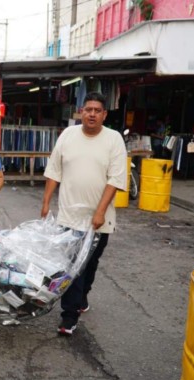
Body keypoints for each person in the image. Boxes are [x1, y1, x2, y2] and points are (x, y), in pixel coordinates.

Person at [40, 91, 127, 336]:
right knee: (73, 267)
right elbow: (54, 170)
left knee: (89, 265)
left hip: (100, 220)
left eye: (97, 110)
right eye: (88, 109)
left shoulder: (114, 139)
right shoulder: (68, 135)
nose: (91, 114)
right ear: (81, 111)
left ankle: (81, 298)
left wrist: (99, 212)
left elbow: (116, 179)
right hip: (69, 216)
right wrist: (46, 203)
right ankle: (69, 317)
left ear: (104, 114)